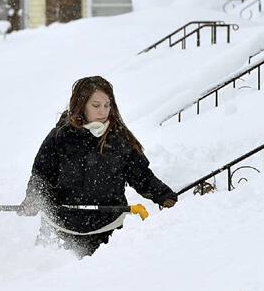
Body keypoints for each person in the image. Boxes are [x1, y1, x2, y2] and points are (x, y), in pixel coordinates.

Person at [20, 76, 177, 257]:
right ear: (82, 105)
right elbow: (41, 175)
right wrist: (34, 198)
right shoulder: (60, 137)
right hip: (59, 230)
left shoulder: (120, 140)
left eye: (107, 105)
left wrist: (165, 197)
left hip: (107, 234)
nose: (103, 111)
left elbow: (142, 176)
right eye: (96, 105)